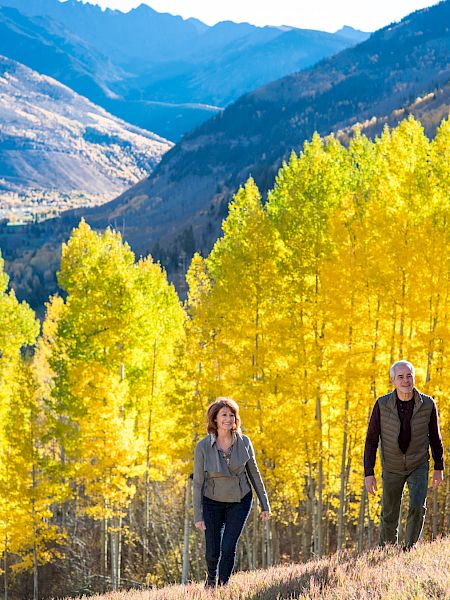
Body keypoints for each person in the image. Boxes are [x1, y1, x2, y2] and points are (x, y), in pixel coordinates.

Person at [364, 360, 444, 548]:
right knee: (390, 512)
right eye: (400, 377)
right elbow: (371, 440)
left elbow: (435, 437)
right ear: (393, 381)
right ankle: (386, 550)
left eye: (409, 376)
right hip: (392, 466)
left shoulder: (427, 404)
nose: (406, 380)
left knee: (417, 507)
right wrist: (369, 473)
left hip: (418, 464)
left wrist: (439, 467)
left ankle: (409, 548)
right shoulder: (382, 405)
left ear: (414, 378)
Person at [193, 397, 270, 587]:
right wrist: (198, 515)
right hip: (212, 501)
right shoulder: (202, 446)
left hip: (240, 500)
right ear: (215, 419)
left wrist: (265, 504)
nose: (228, 419)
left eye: (232, 415)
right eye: (224, 415)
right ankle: (211, 579)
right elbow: (198, 483)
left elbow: (254, 474)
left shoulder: (244, 442)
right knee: (213, 550)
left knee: (228, 547)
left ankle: (222, 585)